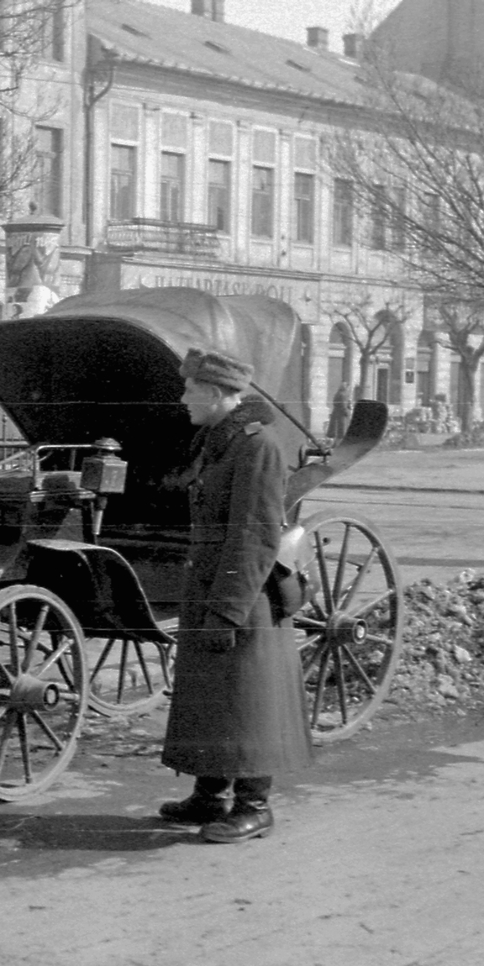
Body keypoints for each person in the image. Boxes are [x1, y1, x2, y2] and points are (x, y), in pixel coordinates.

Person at [159, 348, 312, 843]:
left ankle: (254, 805)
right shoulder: (219, 441)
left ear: (216, 393)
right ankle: (210, 794)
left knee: (248, 699)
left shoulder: (257, 446)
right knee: (213, 693)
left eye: (190, 390)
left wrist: (227, 608)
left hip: (246, 597)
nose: (183, 399)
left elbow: (254, 535)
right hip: (213, 586)